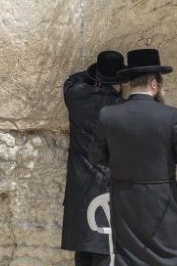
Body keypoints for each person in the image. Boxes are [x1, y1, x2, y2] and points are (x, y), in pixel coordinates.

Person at [89, 48, 177, 266]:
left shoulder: (108, 114)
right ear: (154, 84)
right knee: (165, 258)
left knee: (128, 258)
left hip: (124, 203)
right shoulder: (169, 115)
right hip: (161, 204)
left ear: (130, 83)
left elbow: (96, 156)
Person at [61, 51, 127, 266]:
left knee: (82, 253)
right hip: (106, 188)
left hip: (79, 188)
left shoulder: (76, 97)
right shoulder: (120, 107)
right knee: (104, 251)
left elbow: (71, 80)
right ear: (120, 81)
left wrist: (91, 75)